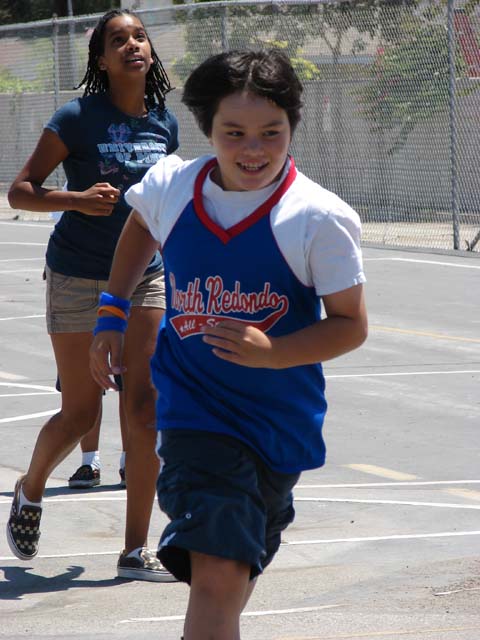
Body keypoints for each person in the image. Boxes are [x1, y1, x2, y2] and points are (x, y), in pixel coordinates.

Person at [90, 49, 368, 638]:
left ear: (293, 126)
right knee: (217, 574)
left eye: (272, 132)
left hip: (277, 427)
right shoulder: (173, 186)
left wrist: (275, 353)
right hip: (193, 415)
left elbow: (350, 324)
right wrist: (113, 310)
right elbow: (140, 222)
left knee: (232, 578)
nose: (253, 149)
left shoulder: (317, 218)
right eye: (234, 132)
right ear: (207, 127)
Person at [6, 8, 178, 582]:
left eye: (139, 36)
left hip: (144, 277)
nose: (132, 45)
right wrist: (76, 200)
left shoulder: (164, 122)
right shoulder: (76, 118)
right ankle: (31, 488)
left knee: (143, 406)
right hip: (78, 274)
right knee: (82, 411)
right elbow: (21, 191)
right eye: (118, 39)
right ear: (101, 59)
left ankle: (134, 550)